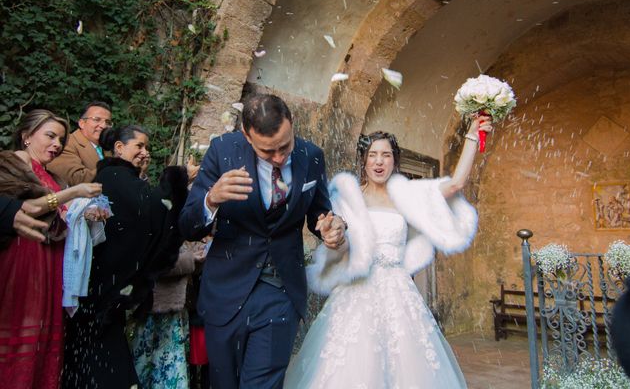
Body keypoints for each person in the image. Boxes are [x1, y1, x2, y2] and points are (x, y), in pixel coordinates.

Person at [285, 116, 492, 388]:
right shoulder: (347, 198)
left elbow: (455, 185)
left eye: (385, 155)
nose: (379, 161)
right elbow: (337, 241)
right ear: (364, 160)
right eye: (373, 155)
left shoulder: (408, 196)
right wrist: (332, 234)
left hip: (399, 293)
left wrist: (472, 137)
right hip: (355, 292)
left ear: (395, 161)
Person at [179, 94, 345, 389]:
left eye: (285, 146)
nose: (280, 157)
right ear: (246, 135)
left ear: (292, 124)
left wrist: (330, 227)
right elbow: (187, 225)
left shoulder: (312, 155)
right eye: (268, 152)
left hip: (279, 293)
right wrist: (212, 198)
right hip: (226, 292)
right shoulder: (223, 150)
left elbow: (320, 211)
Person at [62, 125, 189, 389]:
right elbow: (152, 210)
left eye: (147, 147)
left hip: (103, 289)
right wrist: (177, 179)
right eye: (139, 146)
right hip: (99, 291)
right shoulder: (115, 178)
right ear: (119, 148)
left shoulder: (121, 178)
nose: (145, 153)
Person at [0, 109, 103, 389]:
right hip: (20, 259)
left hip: (49, 261)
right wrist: (74, 193)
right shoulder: (9, 165)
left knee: (44, 336)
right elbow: (31, 208)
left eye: (60, 139)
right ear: (25, 136)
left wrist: (85, 213)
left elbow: (58, 216)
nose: (57, 144)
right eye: (50, 136)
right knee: (18, 329)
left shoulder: (49, 176)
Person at [130, 242, 206, 389]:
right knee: (157, 375)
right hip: (154, 312)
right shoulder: (155, 224)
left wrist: (198, 257)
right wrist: (190, 259)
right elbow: (151, 264)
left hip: (175, 310)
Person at [48, 101, 112, 185]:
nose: (103, 126)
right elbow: (75, 178)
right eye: (97, 119)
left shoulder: (108, 147)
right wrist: (114, 166)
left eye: (107, 122)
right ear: (82, 123)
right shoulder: (67, 143)